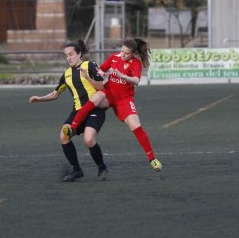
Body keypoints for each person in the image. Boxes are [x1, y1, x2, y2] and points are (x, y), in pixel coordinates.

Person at [62, 38, 163, 172]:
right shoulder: (114, 57)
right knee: (95, 98)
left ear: (133, 53)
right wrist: (99, 73)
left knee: (136, 126)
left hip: (124, 99)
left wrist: (123, 76)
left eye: (126, 53)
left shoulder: (136, 64)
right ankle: (72, 127)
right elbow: (102, 70)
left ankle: (152, 159)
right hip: (109, 93)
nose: (122, 55)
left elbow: (136, 80)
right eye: (122, 51)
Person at [29, 39, 108, 181]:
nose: (69, 58)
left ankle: (101, 166)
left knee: (89, 140)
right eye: (66, 55)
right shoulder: (66, 74)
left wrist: (87, 78)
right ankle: (76, 169)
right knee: (63, 136)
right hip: (77, 112)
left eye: (71, 54)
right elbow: (55, 93)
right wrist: (39, 98)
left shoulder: (89, 65)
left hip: (94, 109)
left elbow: (102, 87)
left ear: (79, 54)